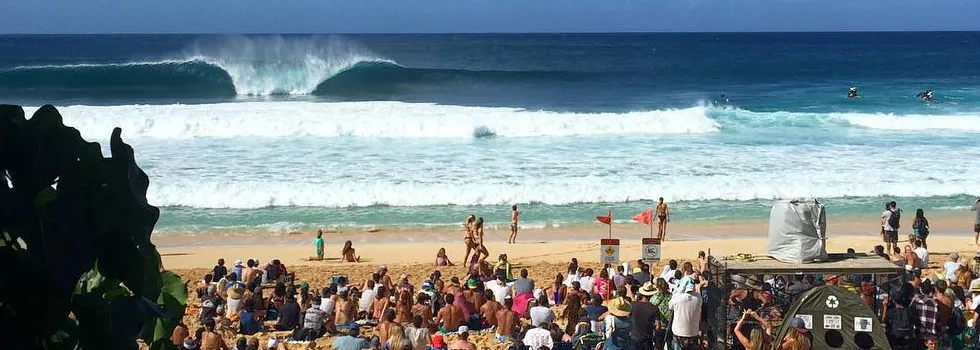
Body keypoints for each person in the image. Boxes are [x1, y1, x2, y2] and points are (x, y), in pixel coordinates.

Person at [669, 283, 703, 350]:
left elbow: (670, 306)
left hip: (679, 332)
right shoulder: (698, 297)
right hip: (693, 332)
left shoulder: (677, 297)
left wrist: (677, 292)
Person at [631, 282, 658, 350]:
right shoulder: (654, 308)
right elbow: (658, 326)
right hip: (647, 340)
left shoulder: (632, 305)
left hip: (633, 339)